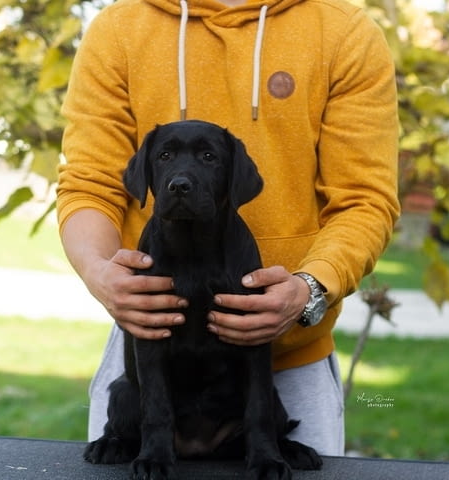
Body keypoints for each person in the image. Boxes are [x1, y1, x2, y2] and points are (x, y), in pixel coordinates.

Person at [57, 0, 400, 456]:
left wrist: (310, 289)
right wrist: (102, 274)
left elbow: (365, 198)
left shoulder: (343, 32)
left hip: (288, 362)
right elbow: (89, 185)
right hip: (156, 359)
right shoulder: (120, 29)